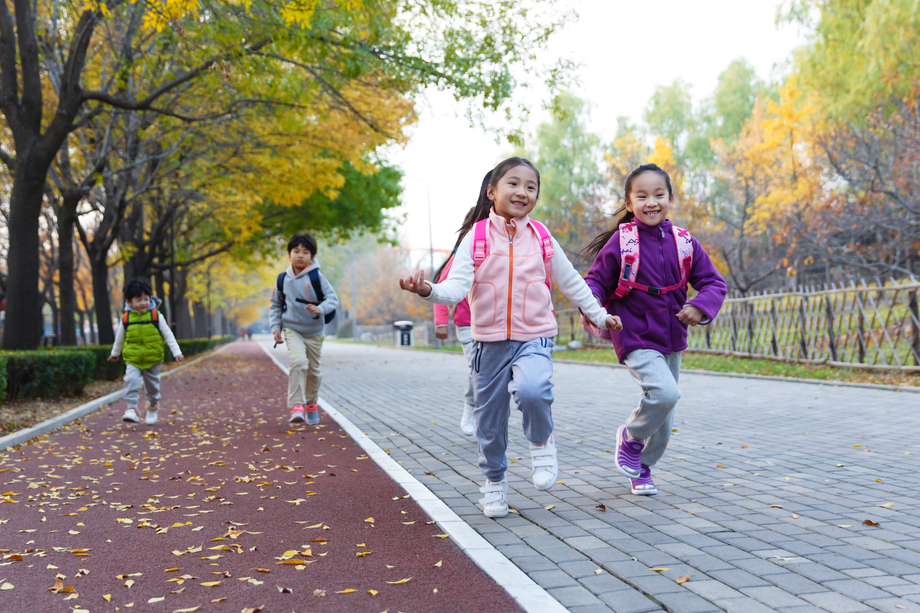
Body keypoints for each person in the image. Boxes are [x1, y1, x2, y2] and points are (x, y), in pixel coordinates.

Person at [400, 157, 621, 518]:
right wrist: (428, 291)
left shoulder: (542, 237)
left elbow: (571, 282)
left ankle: (541, 442)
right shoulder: (477, 237)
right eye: (513, 184)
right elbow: (455, 288)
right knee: (490, 421)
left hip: (534, 337)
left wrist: (599, 314)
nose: (522, 192)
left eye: (530, 187)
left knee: (534, 390)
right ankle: (494, 482)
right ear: (493, 192)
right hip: (487, 344)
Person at [583, 163, 727, 496]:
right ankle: (630, 437)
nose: (652, 202)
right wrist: (594, 308)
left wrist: (699, 306)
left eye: (659, 194)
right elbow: (595, 282)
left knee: (664, 418)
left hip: (672, 334)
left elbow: (712, 282)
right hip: (633, 332)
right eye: (642, 196)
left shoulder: (684, 242)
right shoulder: (622, 242)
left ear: (670, 198)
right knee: (665, 394)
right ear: (629, 203)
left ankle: (642, 467)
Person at [432, 186, 489, 437]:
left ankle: (485, 414)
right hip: (468, 323)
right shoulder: (462, 253)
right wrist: (440, 322)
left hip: (496, 322)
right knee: (478, 369)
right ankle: (470, 405)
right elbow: (443, 287)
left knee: (490, 373)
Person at [269, 233, 339, 425]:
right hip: (292, 328)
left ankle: (311, 404)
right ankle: (297, 406)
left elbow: (333, 299)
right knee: (299, 362)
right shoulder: (282, 279)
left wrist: (320, 308)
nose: (301, 255)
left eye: (306, 252)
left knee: (314, 371)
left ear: (312, 256)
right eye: (296, 251)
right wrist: (276, 327)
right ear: (289, 254)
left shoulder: (318, 277)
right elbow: (275, 304)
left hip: (315, 331)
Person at [108, 279, 184, 425]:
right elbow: (120, 338)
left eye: (146, 299)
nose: (143, 303)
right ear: (129, 302)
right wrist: (115, 353)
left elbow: (168, 334)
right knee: (130, 380)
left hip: (153, 358)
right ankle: (131, 409)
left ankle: (153, 406)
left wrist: (177, 352)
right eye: (139, 300)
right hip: (133, 358)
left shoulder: (156, 316)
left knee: (152, 387)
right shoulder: (126, 318)